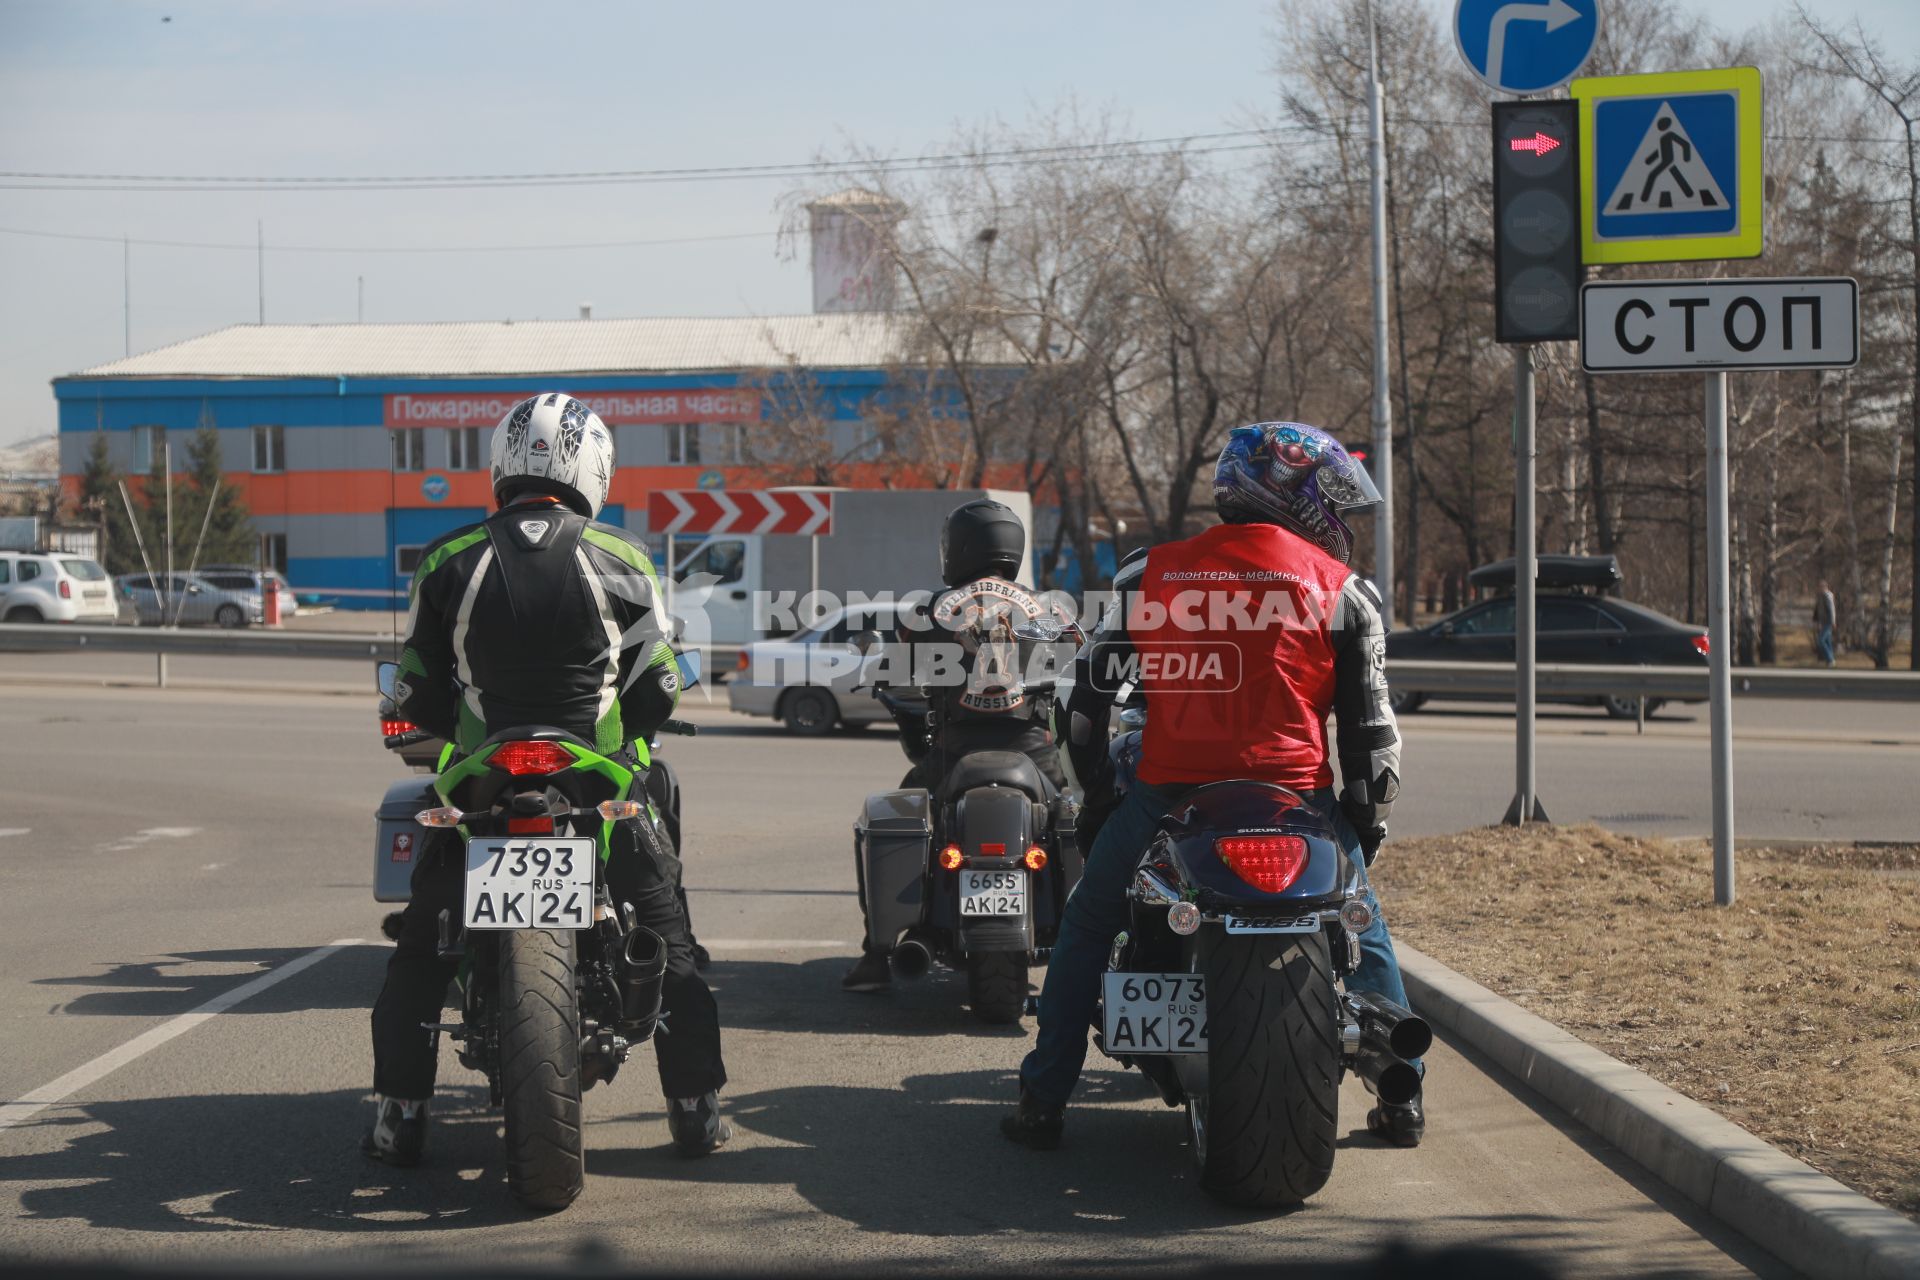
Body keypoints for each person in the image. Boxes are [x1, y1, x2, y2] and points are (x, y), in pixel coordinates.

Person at [1003, 421, 1426, 1150]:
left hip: (1169, 796)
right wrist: (1365, 826)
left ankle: (1044, 1097)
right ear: (1297, 494)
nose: (1340, 520)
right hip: (1299, 803)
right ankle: (1403, 1097)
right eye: (1332, 500)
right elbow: (1373, 737)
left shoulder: (1150, 574)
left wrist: (1102, 803)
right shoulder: (1344, 590)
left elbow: (1084, 709)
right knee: (1367, 931)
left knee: (1087, 925)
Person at [368, 392, 730, 1165]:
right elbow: (660, 685)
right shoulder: (624, 559)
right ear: (592, 465)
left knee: (420, 952)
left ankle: (399, 1110)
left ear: (502, 463)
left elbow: (414, 691)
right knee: (671, 939)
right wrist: (626, 733)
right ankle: (695, 1106)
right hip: (595, 781)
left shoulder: (445, 561)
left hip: (479, 783)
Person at [841, 498, 1071, 992]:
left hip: (954, 753)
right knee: (1080, 819)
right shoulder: (1050, 607)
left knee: (892, 819)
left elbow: (898, 671)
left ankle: (877, 953)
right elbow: (1083, 662)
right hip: (1035, 754)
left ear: (959, 548)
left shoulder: (929, 611)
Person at [1813, 580, 1837, 667]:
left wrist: (1833, 621)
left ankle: (1830, 659)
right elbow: (1817, 609)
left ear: (1825, 587)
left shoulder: (1828, 596)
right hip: (1823, 622)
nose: (1819, 589)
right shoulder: (1820, 596)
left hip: (1828, 622)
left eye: (1821, 587)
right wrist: (1816, 620)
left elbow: (1831, 610)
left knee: (1821, 641)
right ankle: (1831, 660)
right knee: (1828, 641)